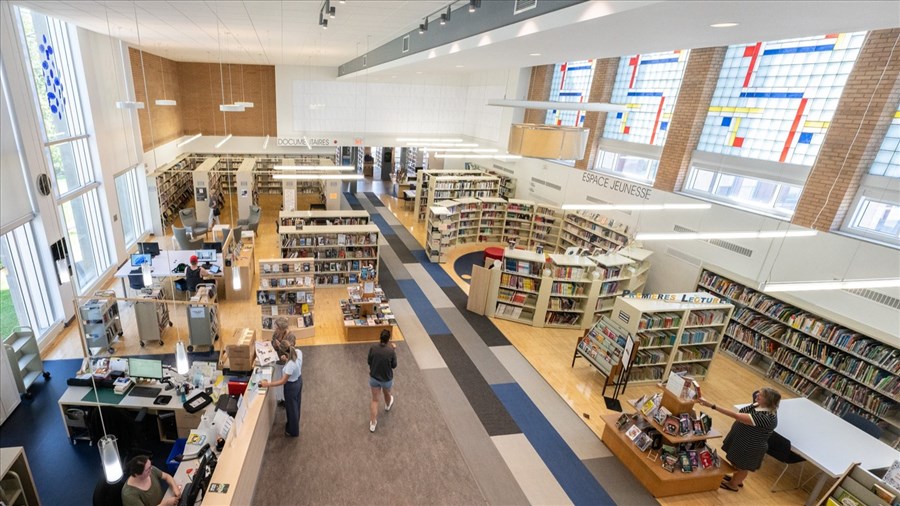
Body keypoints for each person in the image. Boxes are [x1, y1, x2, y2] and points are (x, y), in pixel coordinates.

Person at [696, 387, 781, 492]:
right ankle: (736, 479)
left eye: (761, 395)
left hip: (750, 445)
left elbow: (737, 415)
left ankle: (733, 484)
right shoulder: (760, 404)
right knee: (736, 462)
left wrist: (711, 405)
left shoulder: (766, 417)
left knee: (742, 466)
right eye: (758, 393)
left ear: (768, 401)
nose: (756, 395)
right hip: (742, 439)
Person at [260, 345, 302, 437]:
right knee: (296, 405)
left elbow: (283, 381)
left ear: (285, 354)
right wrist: (286, 359)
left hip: (291, 387)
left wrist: (267, 384)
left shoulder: (290, 365)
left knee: (291, 409)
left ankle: (293, 431)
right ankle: (295, 424)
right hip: (299, 381)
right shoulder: (298, 352)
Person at [367, 329, 397, 433]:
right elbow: (394, 365)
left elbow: (369, 361)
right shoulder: (391, 351)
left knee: (375, 400)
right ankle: (388, 405)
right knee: (387, 393)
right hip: (386, 379)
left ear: (380, 337)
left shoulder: (373, 348)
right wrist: (393, 350)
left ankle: (373, 423)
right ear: (388, 340)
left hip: (374, 377)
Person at [270, 316, 297, 406]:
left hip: (286, 362)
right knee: (278, 380)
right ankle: (281, 398)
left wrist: (280, 346)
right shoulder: (276, 334)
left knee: (286, 382)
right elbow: (272, 343)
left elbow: (290, 351)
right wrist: (274, 345)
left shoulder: (291, 337)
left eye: (277, 328)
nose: (275, 329)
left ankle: (286, 400)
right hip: (277, 361)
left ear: (282, 329)